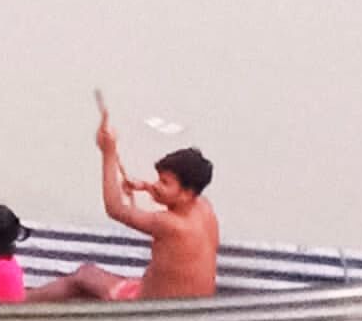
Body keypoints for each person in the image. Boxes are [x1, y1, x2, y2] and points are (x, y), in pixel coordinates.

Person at [27, 113, 218, 301]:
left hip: (157, 307)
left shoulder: (169, 224)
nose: (156, 185)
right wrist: (144, 186)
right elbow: (173, 197)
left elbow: (115, 209)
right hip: (195, 302)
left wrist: (108, 153)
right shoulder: (203, 207)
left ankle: (20, 303)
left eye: (164, 182)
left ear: (187, 193)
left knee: (84, 275)